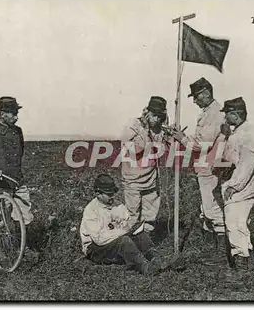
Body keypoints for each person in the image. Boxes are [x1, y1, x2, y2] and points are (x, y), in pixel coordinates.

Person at [80, 174, 178, 276]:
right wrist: (124, 231)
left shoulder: (117, 204)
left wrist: (133, 227)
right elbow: (99, 239)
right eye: (109, 194)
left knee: (140, 234)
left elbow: (127, 221)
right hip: (96, 250)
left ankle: (157, 259)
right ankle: (145, 267)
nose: (112, 196)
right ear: (98, 193)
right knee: (124, 241)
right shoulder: (91, 211)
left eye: (113, 193)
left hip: (114, 242)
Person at [170, 77, 226, 253]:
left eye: (196, 96)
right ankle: (211, 249)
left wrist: (182, 139)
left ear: (207, 93)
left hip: (210, 167)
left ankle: (220, 253)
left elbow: (202, 145)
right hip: (205, 167)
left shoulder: (215, 114)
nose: (194, 101)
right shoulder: (209, 112)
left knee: (213, 211)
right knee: (206, 209)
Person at [0, 96, 37, 253]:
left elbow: (20, 152)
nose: (16, 117)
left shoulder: (18, 131)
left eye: (17, 113)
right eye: (13, 113)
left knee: (25, 215)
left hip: (17, 180)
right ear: (3, 113)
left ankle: (24, 247)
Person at [217, 97, 254, 271]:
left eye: (227, 114)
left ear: (236, 114)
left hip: (244, 186)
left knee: (233, 222)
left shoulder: (248, 133)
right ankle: (245, 255)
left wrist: (234, 185)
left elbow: (248, 162)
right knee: (239, 221)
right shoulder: (239, 131)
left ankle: (241, 263)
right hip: (240, 184)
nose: (225, 117)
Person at [120, 96, 171, 233]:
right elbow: (129, 148)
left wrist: (168, 137)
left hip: (151, 178)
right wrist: (147, 136)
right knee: (132, 214)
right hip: (133, 179)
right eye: (154, 116)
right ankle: (128, 243)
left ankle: (146, 242)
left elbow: (163, 150)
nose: (156, 120)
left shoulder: (159, 128)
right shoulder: (133, 125)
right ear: (146, 112)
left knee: (150, 215)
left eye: (160, 117)